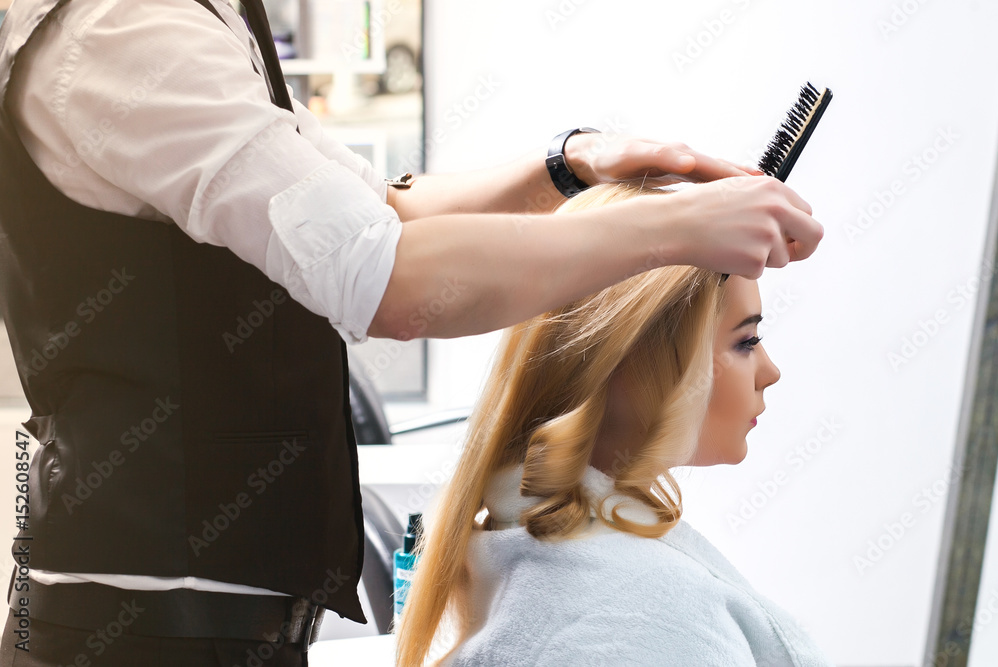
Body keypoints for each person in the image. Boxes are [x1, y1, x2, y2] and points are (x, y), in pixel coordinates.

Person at [0, 0, 822, 664]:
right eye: (746, 338)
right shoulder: (123, 30)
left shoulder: (205, 22)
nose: (771, 369)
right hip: (139, 634)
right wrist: (676, 231)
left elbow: (376, 208)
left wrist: (573, 163)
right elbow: (383, 275)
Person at [396, 182, 835, 666]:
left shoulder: (522, 550)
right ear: (633, 361)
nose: (770, 373)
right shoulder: (647, 615)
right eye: (745, 342)